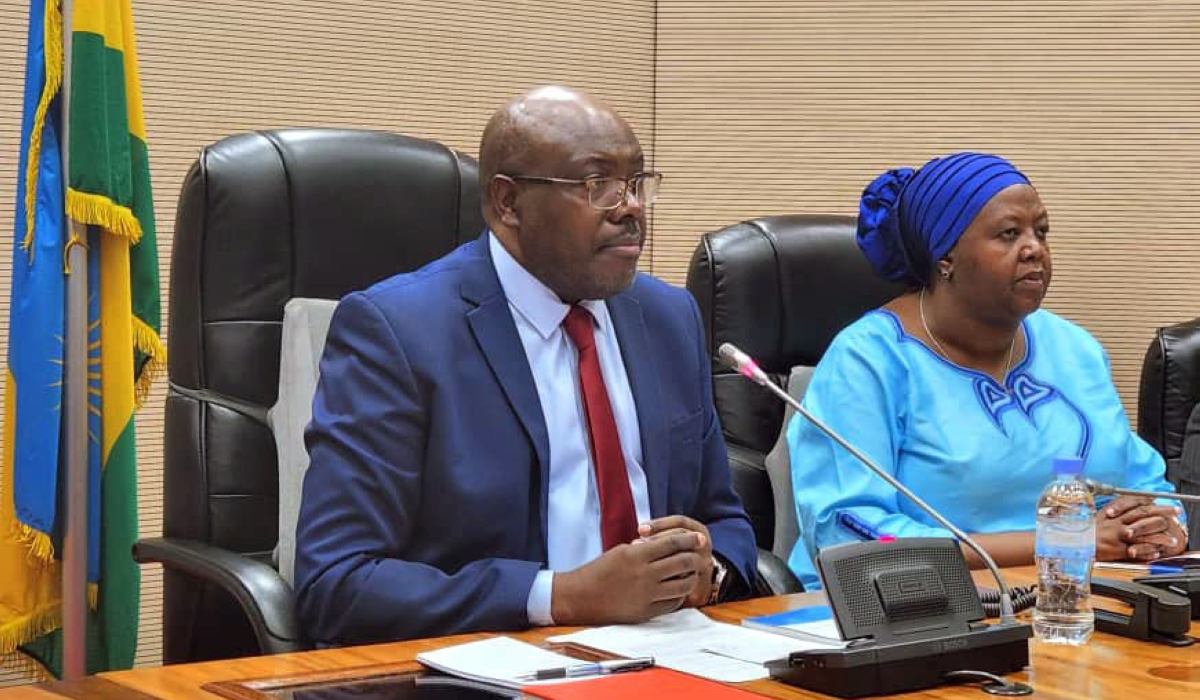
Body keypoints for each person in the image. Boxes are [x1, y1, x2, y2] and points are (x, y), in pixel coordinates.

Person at [294, 86, 756, 645]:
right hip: (490, 663)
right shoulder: (396, 332)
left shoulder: (668, 318)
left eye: (636, 183)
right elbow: (336, 583)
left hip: (673, 652)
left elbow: (725, 520)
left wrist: (707, 574)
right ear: (507, 203)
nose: (630, 207)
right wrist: (558, 596)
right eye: (597, 185)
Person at [787, 152, 1186, 590]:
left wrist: (1161, 527)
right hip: (907, 613)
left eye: (1042, 232)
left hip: (1080, 602)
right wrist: (1061, 541)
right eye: (1009, 234)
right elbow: (852, 534)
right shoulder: (866, 362)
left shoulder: (1073, 347)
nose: (1034, 248)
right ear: (945, 258)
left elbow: (1143, 481)